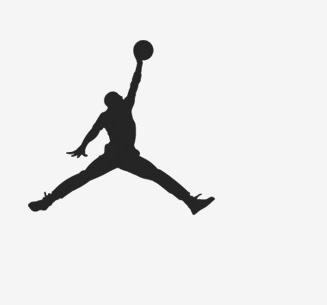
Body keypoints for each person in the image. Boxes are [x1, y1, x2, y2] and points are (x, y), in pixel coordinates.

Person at [28, 50, 213, 214]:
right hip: (122, 156)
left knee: (83, 177)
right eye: (118, 96)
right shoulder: (123, 108)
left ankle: (47, 202)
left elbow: (93, 132)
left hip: (118, 156)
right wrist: (139, 63)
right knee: (157, 176)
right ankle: (190, 202)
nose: (121, 96)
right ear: (114, 101)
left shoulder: (108, 114)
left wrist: (83, 146)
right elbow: (134, 85)